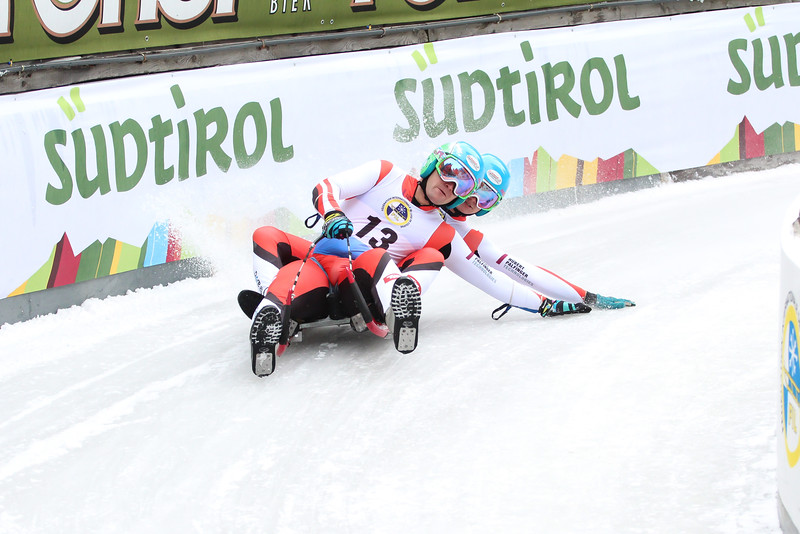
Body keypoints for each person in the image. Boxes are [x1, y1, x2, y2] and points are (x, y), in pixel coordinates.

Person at [243, 141, 592, 377]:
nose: (450, 188)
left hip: (365, 281)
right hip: (322, 261)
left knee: (390, 256)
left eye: (463, 187)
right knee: (266, 237)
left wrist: (543, 304)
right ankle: (274, 324)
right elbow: (326, 187)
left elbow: (491, 275)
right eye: (449, 173)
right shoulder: (384, 173)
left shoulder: (442, 233)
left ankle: (398, 307)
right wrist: (332, 214)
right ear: (433, 164)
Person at [441, 153, 635, 316]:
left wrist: (588, 297)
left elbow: (519, 269)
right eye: (475, 189)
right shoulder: (428, 192)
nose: (474, 201)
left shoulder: (468, 238)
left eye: (486, 199)